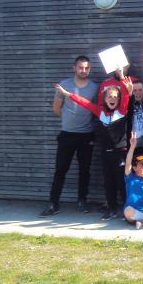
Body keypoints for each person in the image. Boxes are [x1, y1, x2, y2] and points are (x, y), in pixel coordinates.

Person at [54, 70, 132, 220]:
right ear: (104, 98)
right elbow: (83, 101)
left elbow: (126, 97)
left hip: (120, 152)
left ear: (119, 100)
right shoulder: (100, 111)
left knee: (121, 182)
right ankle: (111, 208)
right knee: (108, 182)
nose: (112, 99)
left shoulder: (122, 110)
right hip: (105, 152)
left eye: (115, 97)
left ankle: (126, 210)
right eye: (109, 96)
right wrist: (67, 94)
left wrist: (122, 77)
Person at [43, 56, 99, 217]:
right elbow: (56, 109)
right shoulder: (64, 85)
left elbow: (95, 110)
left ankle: (82, 201)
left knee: (84, 170)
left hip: (86, 135)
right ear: (73, 68)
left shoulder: (94, 87)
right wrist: (70, 120)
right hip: (67, 135)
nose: (83, 70)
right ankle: (53, 203)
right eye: (80, 67)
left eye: (86, 68)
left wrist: (84, 120)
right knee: (60, 170)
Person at [126, 80, 143, 155]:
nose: (137, 93)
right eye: (135, 90)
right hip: (134, 144)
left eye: (140, 90)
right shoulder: (128, 105)